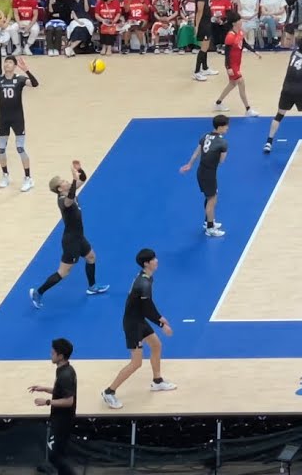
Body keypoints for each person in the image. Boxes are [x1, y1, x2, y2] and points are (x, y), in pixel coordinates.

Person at [102, 248, 177, 409]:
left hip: (139, 320)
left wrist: (159, 317)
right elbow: (147, 309)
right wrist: (161, 323)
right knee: (136, 363)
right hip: (133, 324)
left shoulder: (146, 277)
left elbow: (147, 305)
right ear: (146, 263)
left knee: (156, 345)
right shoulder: (143, 283)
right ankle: (109, 391)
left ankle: (157, 381)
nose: (157, 260)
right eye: (153, 259)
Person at [29, 160, 110, 308]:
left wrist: (79, 170)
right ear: (59, 188)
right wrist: (73, 179)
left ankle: (92, 287)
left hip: (79, 237)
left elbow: (83, 180)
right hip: (71, 241)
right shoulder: (62, 200)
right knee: (63, 273)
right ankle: (38, 292)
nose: (67, 181)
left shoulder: (68, 192)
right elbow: (70, 199)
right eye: (64, 181)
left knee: (91, 257)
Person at [28, 338, 78, 475]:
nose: (51, 354)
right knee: (59, 454)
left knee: (55, 456)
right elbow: (60, 391)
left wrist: (47, 402)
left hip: (63, 420)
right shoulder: (64, 369)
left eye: (53, 352)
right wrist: (44, 388)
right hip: (60, 418)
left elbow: (69, 401)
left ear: (60, 356)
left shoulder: (65, 375)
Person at [0, 56, 39, 191]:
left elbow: (35, 84)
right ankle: (5, 175)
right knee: (1, 149)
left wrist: (27, 70)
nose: (7, 64)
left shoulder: (20, 79)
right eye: (5, 62)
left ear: (15, 66)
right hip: (3, 119)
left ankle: (28, 178)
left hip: (17, 118)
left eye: (10, 62)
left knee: (20, 148)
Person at [179, 115, 231, 237]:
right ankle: (210, 228)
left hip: (201, 171)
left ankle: (208, 221)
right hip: (209, 174)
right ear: (220, 127)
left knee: (211, 198)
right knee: (212, 200)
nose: (228, 128)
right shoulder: (223, 143)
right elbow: (222, 161)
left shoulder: (205, 136)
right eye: (226, 126)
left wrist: (189, 164)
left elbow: (197, 151)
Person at [213, 14, 262, 116]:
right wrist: (228, 67)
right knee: (240, 82)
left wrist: (254, 52)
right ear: (234, 23)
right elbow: (226, 54)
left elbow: (244, 43)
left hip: (237, 63)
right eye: (239, 20)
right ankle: (248, 109)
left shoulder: (240, 32)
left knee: (232, 84)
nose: (241, 21)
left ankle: (218, 103)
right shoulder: (230, 36)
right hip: (232, 64)